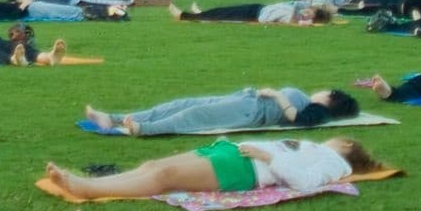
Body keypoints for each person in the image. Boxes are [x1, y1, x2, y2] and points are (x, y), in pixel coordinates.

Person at [43, 136, 380, 199]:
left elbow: (305, 182)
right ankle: (88, 183)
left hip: (246, 169)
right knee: (154, 164)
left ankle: (88, 189)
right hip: (231, 153)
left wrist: (268, 158)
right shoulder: (321, 151)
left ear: (347, 146)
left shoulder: (335, 162)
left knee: (163, 177)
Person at [84, 86, 361, 136]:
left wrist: (277, 94)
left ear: (331, 99)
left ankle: (144, 128)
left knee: (195, 116)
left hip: (250, 112)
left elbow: (298, 120)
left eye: (326, 91)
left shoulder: (318, 111)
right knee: (183, 104)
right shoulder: (310, 101)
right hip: (246, 100)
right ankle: (114, 119)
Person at [169, 0, 335, 25]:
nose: (307, 11)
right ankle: (202, 13)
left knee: (222, 16)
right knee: (222, 11)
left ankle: (183, 15)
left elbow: (299, 22)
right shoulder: (299, 11)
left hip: (253, 15)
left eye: (310, 13)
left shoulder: (296, 19)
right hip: (258, 8)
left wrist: (305, 19)